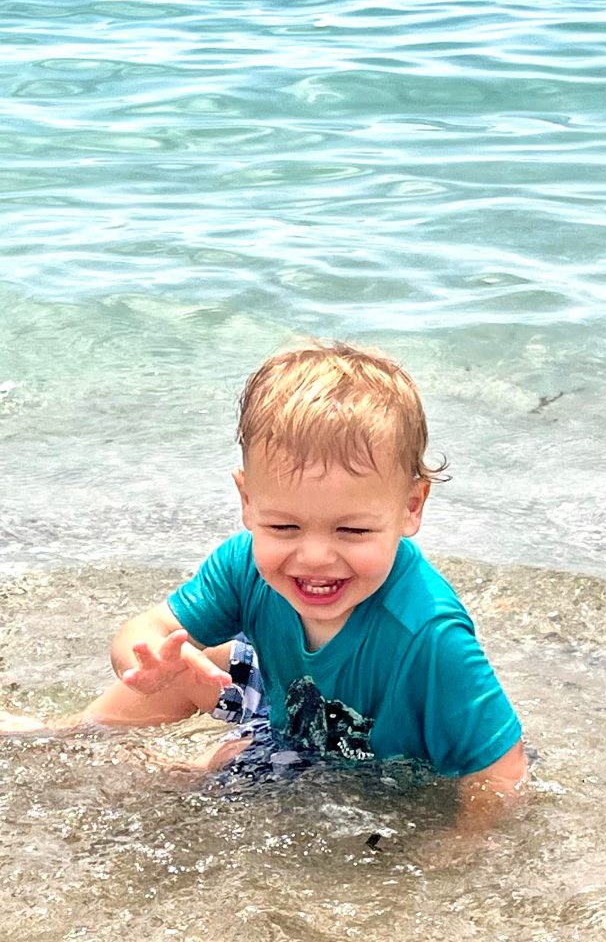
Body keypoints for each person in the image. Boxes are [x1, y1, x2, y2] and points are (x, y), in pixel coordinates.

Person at [2, 341, 527, 836]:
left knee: (227, 780)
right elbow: (150, 627)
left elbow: (502, 769)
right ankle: (68, 729)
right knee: (187, 661)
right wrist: (144, 664)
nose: (314, 556)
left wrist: (462, 844)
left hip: (355, 759)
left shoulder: (428, 635)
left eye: (352, 530)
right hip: (285, 703)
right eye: (284, 527)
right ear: (248, 501)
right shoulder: (245, 564)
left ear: (411, 507)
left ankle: (189, 767)